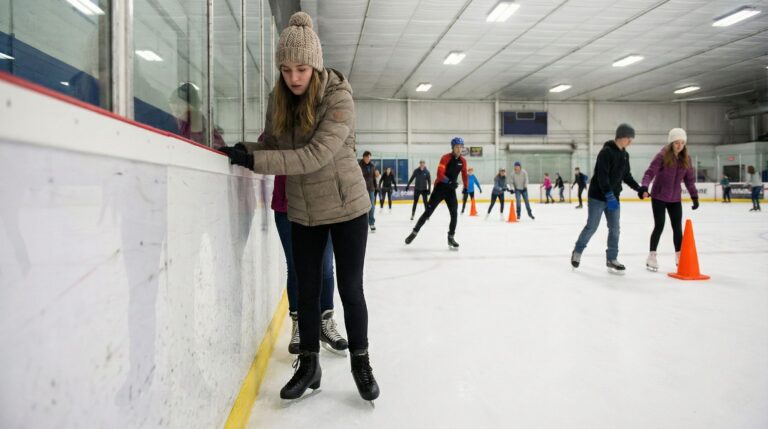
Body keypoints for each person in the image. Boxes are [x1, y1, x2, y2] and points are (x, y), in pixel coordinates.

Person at [219, 11, 379, 402]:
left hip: (347, 209)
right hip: (305, 210)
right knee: (305, 293)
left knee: (349, 288)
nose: (294, 77)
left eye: (302, 68)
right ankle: (309, 364)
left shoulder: (338, 97)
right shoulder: (282, 99)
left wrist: (255, 162)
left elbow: (313, 156)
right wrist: (245, 150)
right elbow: (275, 146)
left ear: (316, 65)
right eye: (286, 69)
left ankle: (361, 360)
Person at [272, 175, 348, 352]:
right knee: (296, 266)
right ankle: (299, 325)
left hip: (323, 201)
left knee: (326, 266)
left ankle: (325, 323)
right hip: (288, 203)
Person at [571, 123, 645, 273]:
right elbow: (602, 176)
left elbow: (626, 176)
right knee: (592, 226)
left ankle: (611, 259)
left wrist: (639, 188)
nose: (630, 142)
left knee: (615, 229)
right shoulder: (606, 152)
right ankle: (577, 251)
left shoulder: (625, 155)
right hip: (598, 196)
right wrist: (608, 195)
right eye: (629, 139)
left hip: (613, 197)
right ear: (621, 137)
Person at [640, 128, 699, 271]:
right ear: (671, 142)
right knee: (659, 225)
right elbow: (650, 172)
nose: (680, 145)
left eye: (682, 142)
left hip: (675, 198)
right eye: (677, 142)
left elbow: (689, 180)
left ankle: (679, 256)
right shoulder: (662, 155)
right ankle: (652, 256)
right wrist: (644, 187)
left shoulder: (686, 159)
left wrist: (694, 196)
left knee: (677, 228)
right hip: (659, 196)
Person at [405, 137, 468, 249]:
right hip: (440, 188)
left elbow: (464, 175)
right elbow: (439, 174)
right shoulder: (445, 158)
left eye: (460, 147)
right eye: (457, 147)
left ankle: (451, 237)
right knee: (428, 212)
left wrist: (466, 188)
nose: (459, 149)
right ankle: (414, 232)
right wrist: (449, 181)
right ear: (452, 147)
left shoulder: (463, 161)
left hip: (450, 191)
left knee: (454, 214)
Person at [169, 82, 225, 149]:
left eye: (181, 103)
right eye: (173, 102)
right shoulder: (173, 121)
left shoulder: (197, 121)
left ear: (191, 107)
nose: (176, 107)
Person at [359, 151, 378, 232]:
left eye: (369, 157)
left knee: (372, 207)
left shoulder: (372, 166)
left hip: (371, 189)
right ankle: (362, 223)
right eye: (366, 157)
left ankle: (371, 223)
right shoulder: (359, 166)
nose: (368, 159)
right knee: (362, 207)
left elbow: (373, 177)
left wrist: (376, 187)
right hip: (362, 189)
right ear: (363, 157)